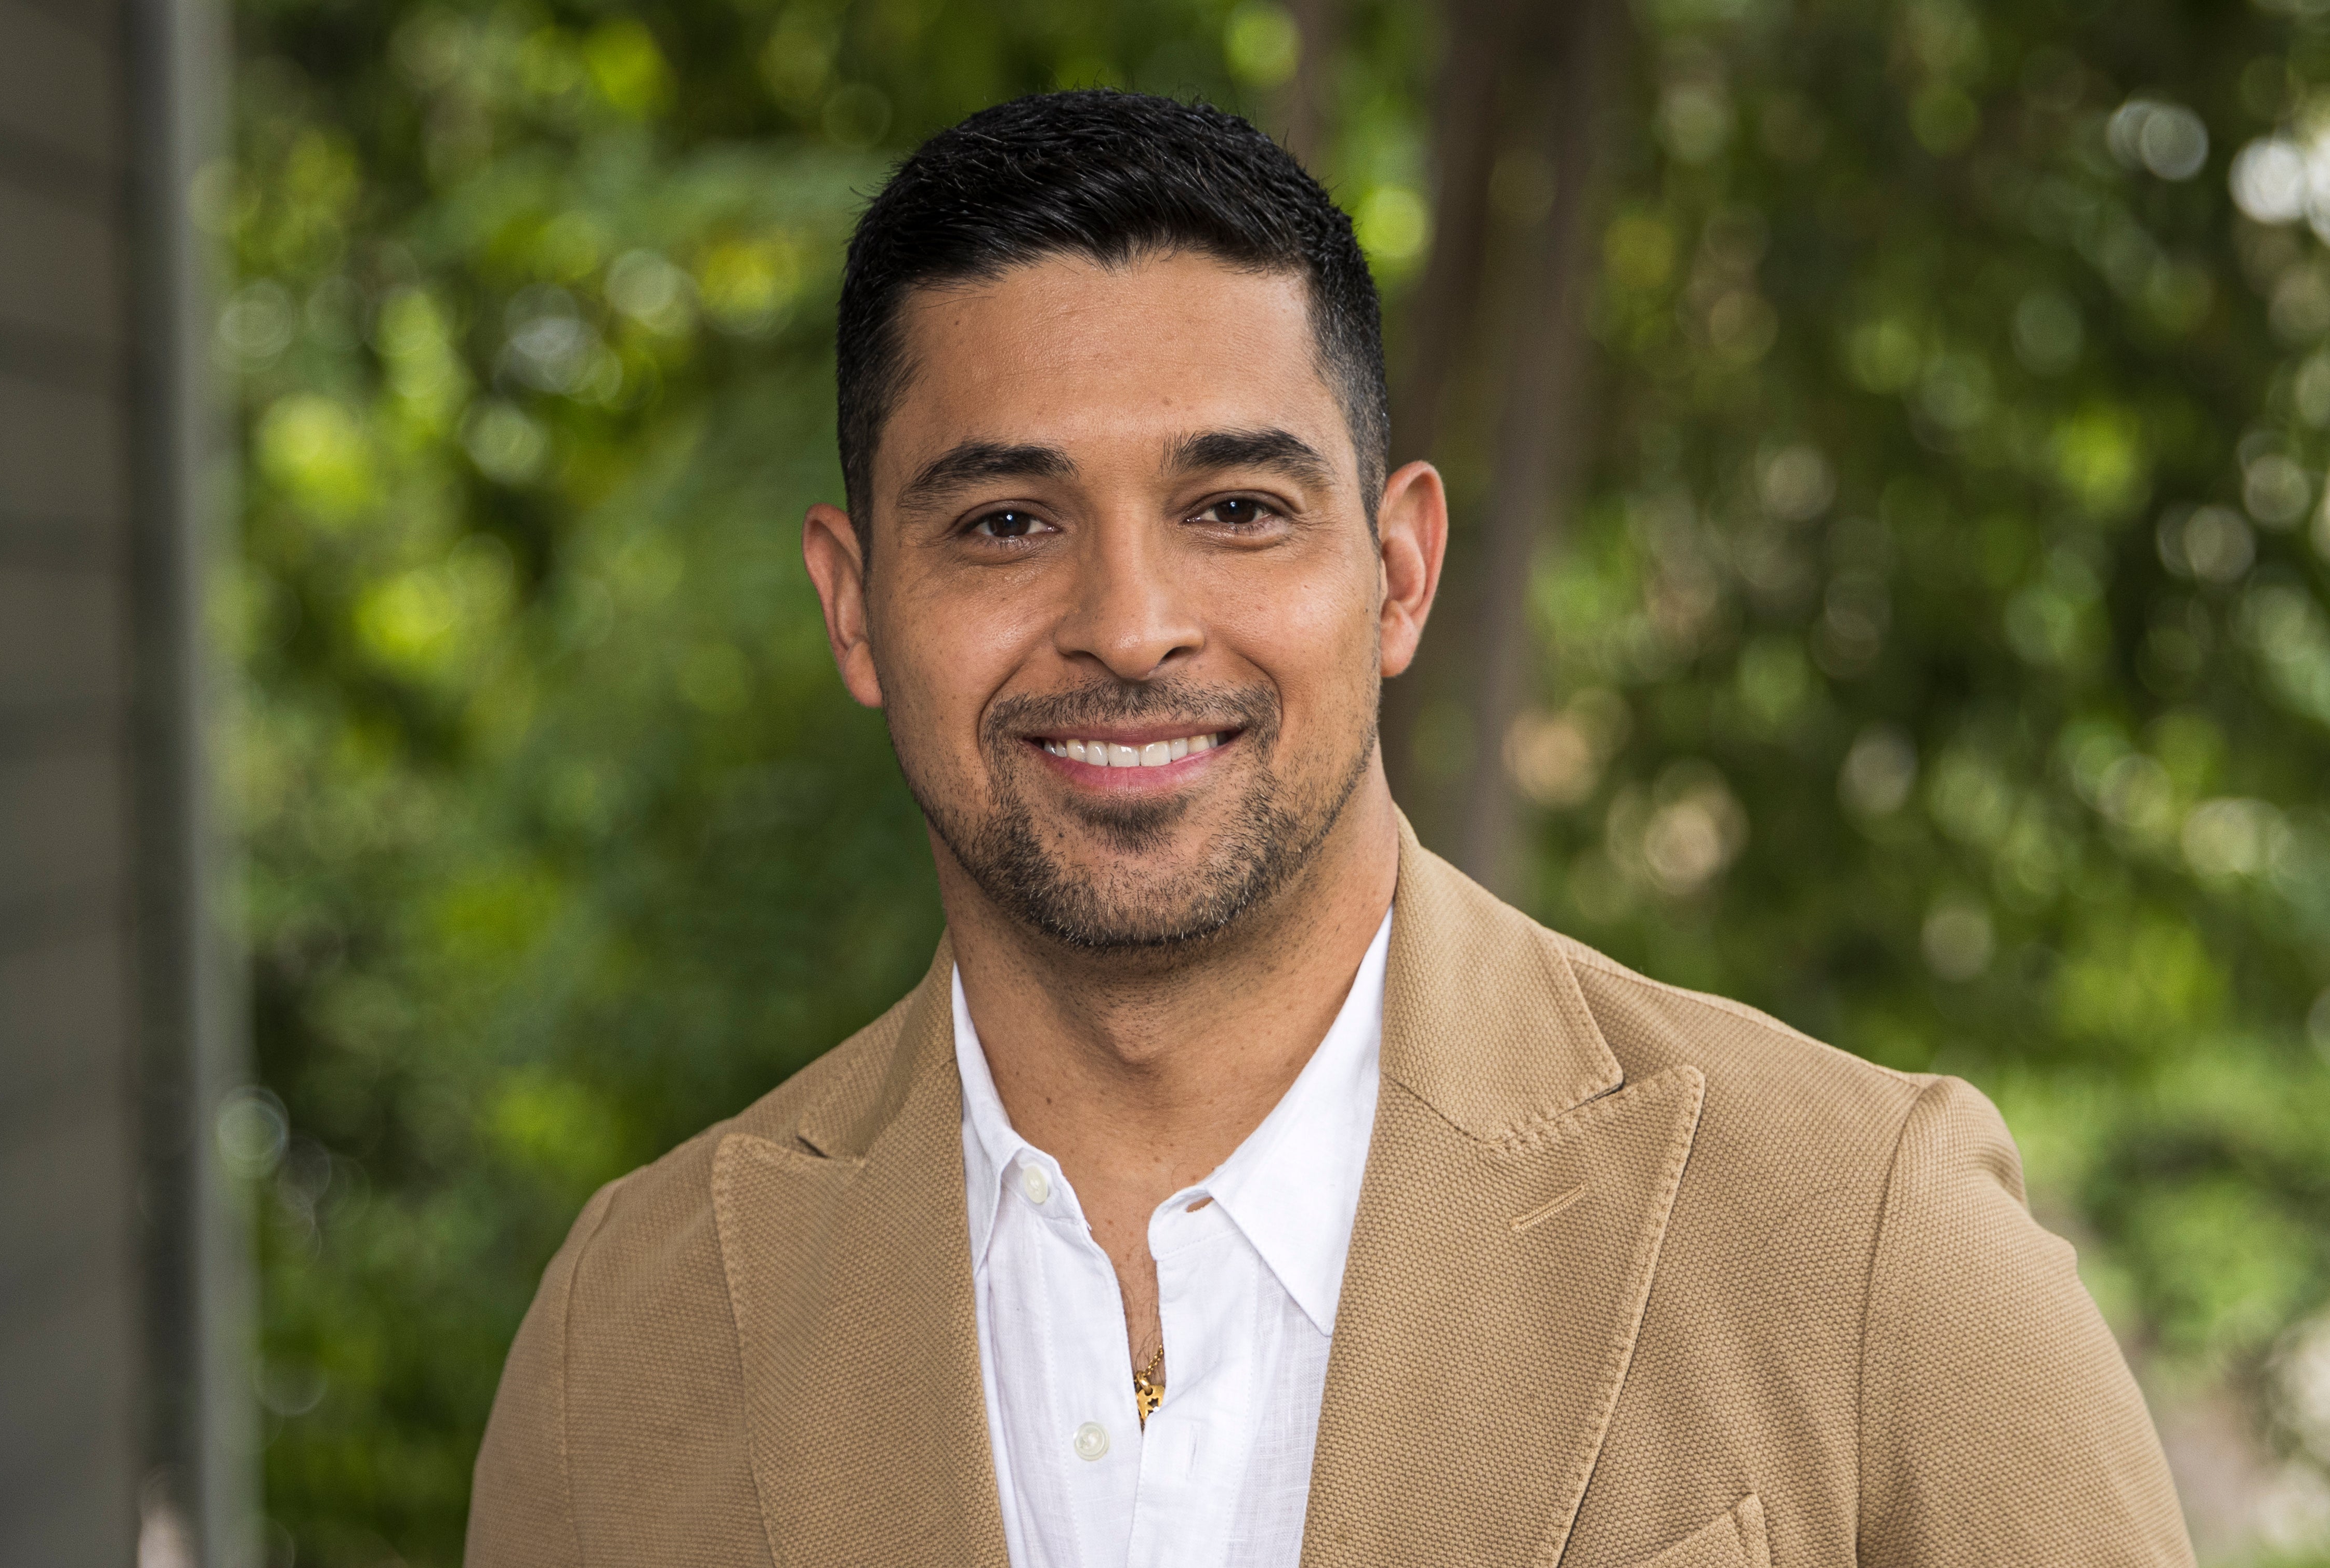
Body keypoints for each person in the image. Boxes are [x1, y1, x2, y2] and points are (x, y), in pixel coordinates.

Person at [465, 89, 2193, 1568]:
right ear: (854, 607)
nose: (1128, 624)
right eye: (1003, 522)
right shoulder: (625, 1337)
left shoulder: (1866, 1238)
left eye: (1233, 508)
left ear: (1398, 570)